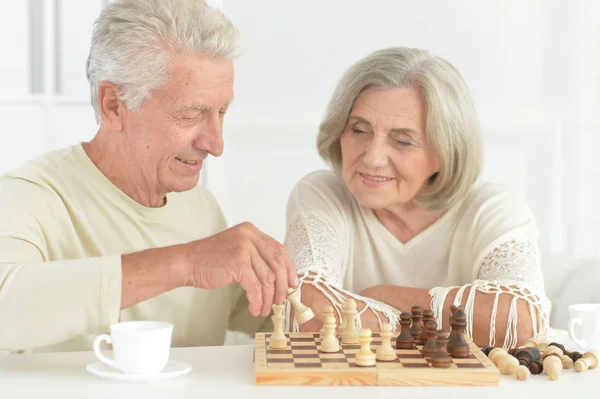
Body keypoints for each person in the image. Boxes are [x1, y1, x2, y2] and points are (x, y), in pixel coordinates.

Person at [0, 0, 298, 353]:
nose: (216, 144)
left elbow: (256, 313)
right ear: (114, 105)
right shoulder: (30, 196)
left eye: (221, 111)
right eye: (191, 114)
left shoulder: (200, 206)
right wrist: (185, 262)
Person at [283, 47, 551, 348]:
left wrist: (381, 297)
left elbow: (521, 321)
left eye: (402, 141)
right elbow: (303, 309)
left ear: (444, 152)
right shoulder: (322, 194)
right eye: (359, 130)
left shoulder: (494, 210)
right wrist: (452, 322)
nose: (372, 159)